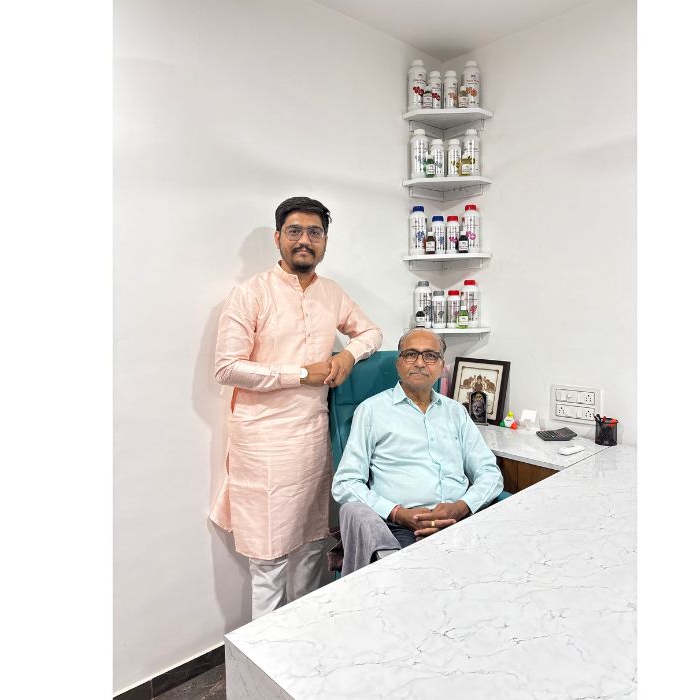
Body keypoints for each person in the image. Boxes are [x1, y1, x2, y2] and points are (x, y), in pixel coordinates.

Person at [211, 196, 383, 617]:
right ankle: (263, 651)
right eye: (294, 231)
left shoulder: (331, 293)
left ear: (324, 241)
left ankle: (304, 637)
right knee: (268, 559)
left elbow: (371, 333)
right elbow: (227, 367)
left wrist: (348, 356)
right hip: (263, 441)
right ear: (278, 238)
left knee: (311, 547)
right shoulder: (250, 294)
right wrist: (301, 374)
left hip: (311, 436)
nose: (304, 240)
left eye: (314, 232)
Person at [331, 328, 503, 575]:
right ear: (398, 362)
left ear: (441, 365)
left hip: (462, 519)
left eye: (430, 356)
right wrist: (398, 513)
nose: (420, 363)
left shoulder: (455, 411)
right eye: (411, 354)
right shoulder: (372, 411)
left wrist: (463, 505)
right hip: (401, 527)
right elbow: (345, 483)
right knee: (414, 582)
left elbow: (489, 472)